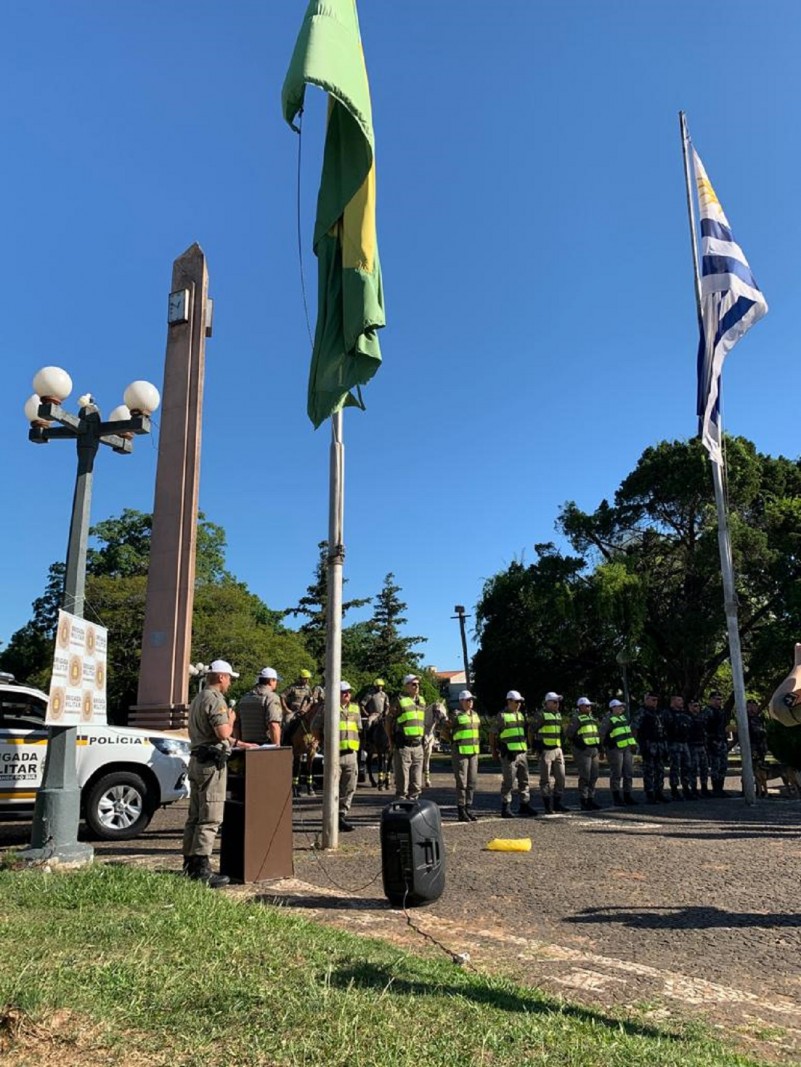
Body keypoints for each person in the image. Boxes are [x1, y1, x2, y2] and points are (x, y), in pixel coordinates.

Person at [182, 659, 257, 887]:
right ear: (222, 677)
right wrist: (231, 720)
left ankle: (189, 862)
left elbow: (215, 735)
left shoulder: (198, 698)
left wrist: (241, 744)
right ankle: (201, 869)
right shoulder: (216, 700)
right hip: (211, 765)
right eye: (230, 679)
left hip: (197, 759)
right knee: (211, 816)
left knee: (194, 815)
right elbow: (222, 731)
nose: (230, 683)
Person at [490, 690, 537, 818]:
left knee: (524, 780)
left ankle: (524, 804)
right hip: (509, 754)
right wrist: (494, 750)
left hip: (521, 752)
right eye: (516, 702)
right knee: (508, 781)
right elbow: (493, 733)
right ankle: (506, 806)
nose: (519, 704)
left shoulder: (521, 715)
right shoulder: (502, 716)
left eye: (520, 702)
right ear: (509, 701)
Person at [528, 691, 569, 813]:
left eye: (558, 702)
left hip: (557, 749)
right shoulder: (541, 715)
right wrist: (534, 747)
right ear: (547, 703)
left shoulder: (558, 715)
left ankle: (557, 802)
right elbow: (531, 731)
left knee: (561, 778)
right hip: (546, 750)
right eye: (555, 702)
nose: (557, 704)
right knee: (545, 779)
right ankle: (547, 805)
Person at [388, 674, 426, 800]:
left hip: (418, 746)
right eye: (413, 684)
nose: (417, 686)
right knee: (402, 781)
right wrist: (390, 739)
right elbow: (388, 720)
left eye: (418, 684)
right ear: (406, 686)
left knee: (416, 782)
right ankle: (401, 806)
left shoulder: (422, 701)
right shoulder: (399, 701)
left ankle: (413, 805)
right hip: (403, 745)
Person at [445, 690, 481, 822]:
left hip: (473, 752)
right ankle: (461, 809)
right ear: (461, 701)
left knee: (472, 781)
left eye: (471, 700)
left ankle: (468, 807)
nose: (470, 702)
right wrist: (452, 741)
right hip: (460, 751)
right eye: (468, 700)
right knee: (462, 782)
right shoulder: (456, 715)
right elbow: (445, 729)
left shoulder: (475, 715)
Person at [599, 698, 637, 806]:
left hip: (626, 749)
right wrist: (602, 749)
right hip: (615, 749)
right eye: (619, 706)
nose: (622, 708)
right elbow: (601, 734)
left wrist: (633, 744)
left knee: (628, 773)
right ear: (613, 708)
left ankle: (627, 796)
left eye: (622, 706)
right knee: (616, 773)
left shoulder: (623, 718)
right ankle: (616, 797)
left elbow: (628, 733)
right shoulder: (609, 719)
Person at [567, 697, 602, 811]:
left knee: (594, 776)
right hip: (583, 751)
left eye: (589, 706)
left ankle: (591, 798)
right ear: (580, 706)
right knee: (585, 776)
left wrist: (600, 747)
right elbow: (570, 733)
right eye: (587, 706)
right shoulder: (576, 719)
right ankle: (584, 800)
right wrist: (579, 743)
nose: (589, 707)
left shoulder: (592, 718)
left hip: (593, 750)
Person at [633, 691, 668, 803]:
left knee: (660, 770)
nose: (655, 702)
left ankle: (659, 792)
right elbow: (634, 728)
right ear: (646, 699)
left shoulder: (658, 712)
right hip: (648, 744)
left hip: (659, 744)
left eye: (656, 700)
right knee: (649, 770)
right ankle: (650, 794)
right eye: (653, 700)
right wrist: (636, 743)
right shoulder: (641, 712)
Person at [337, 681, 361, 832]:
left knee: (350, 787)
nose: (347, 694)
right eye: (343, 692)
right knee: (333, 788)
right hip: (335, 754)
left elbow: (358, 729)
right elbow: (315, 728)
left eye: (349, 692)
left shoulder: (355, 709)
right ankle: (331, 816)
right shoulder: (329, 708)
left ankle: (341, 814)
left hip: (351, 754)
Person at [236, 667, 282, 745]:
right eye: (276, 680)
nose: (276, 683)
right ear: (271, 681)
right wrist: (277, 747)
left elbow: (236, 724)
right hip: (264, 746)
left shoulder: (244, 698)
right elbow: (273, 725)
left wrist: (240, 744)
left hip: (246, 746)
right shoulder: (272, 698)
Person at [358, 678, 389, 784]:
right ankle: (367, 740)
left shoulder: (384, 695)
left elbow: (387, 705)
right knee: (369, 724)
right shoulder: (370, 694)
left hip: (382, 715)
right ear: (375, 686)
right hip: (373, 714)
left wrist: (386, 712)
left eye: (381, 686)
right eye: (378, 686)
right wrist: (367, 714)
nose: (380, 687)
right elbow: (362, 705)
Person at [704, 691, 733, 797]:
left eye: (720, 699)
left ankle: (720, 788)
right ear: (711, 700)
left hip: (722, 742)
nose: (719, 701)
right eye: (716, 699)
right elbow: (704, 728)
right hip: (713, 742)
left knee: (723, 766)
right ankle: (716, 789)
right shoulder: (707, 712)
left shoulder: (721, 712)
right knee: (715, 766)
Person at [665, 694, 693, 801]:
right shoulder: (667, 713)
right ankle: (674, 789)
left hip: (684, 742)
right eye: (679, 700)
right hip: (674, 743)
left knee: (687, 766)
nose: (681, 702)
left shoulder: (685, 714)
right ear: (673, 701)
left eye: (682, 700)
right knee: (675, 767)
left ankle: (686, 788)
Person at [686, 699, 709, 798]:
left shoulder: (701, 718)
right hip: (692, 745)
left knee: (704, 767)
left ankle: (704, 787)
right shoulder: (687, 718)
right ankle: (693, 788)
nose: (697, 708)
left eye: (698, 706)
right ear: (689, 707)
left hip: (701, 745)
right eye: (694, 706)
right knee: (693, 768)